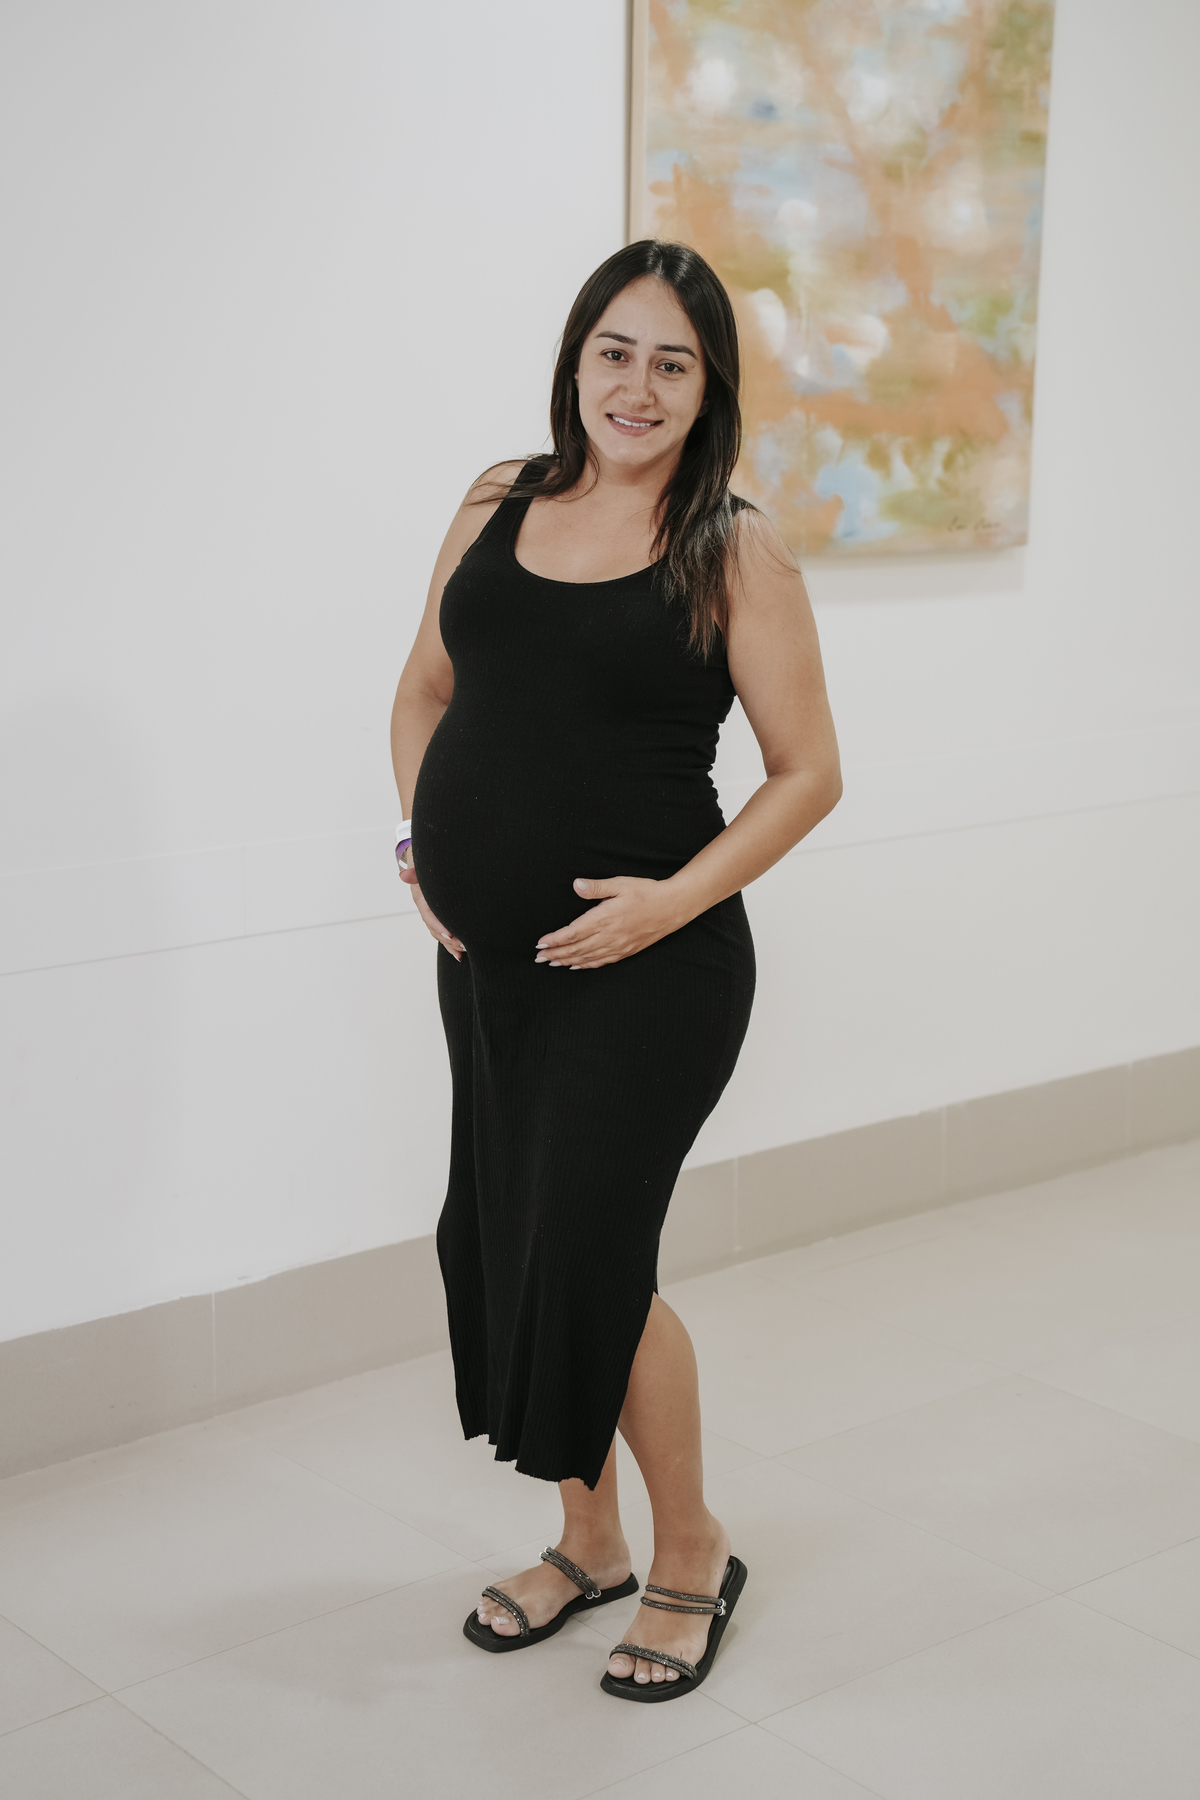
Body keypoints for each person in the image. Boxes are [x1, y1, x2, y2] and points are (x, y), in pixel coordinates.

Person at [390, 240, 841, 1701]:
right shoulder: (495, 500)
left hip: (655, 969)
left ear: (709, 390)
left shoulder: (731, 548)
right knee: (512, 1240)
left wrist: (666, 905)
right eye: (615, 351)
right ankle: (588, 1539)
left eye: (672, 363)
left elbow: (808, 773)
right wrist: (422, 847)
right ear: (576, 358)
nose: (636, 387)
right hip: (496, 967)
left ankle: (692, 1548)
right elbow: (424, 693)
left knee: (589, 1253)